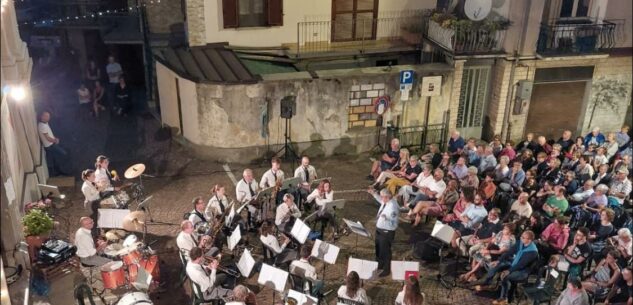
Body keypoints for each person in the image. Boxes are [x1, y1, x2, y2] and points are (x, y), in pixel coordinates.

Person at [475, 231, 539, 305]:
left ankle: (504, 298)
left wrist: (509, 271)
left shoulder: (533, 252)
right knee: (496, 266)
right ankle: (487, 284)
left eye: (523, 238)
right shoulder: (520, 242)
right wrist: (498, 261)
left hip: (523, 271)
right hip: (514, 263)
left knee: (505, 276)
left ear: (529, 240)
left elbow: (521, 265)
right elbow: (509, 252)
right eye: (521, 236)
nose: (521, 238)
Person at [369, 188, 399, 277]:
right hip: (380, 230)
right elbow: (380, 200)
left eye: (382, 197)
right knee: (378, 249)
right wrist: (374, 194)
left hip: (386, 232)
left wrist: (386, 217)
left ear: (387, 197)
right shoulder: (386, 201)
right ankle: (379, 264)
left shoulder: (393, 206)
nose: (381, 198)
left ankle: (386, 269)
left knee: (385, 251)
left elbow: (394, 222)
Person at [38, 111, 69, 176]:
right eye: (46, 116)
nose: (48, 118)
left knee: (53, 159)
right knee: (62, 155)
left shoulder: (45, 123)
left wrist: (54, 138)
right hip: (50, 145)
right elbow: (47, 138)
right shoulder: (42, 126)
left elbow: (49, 133)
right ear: (42, 116)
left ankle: (57, 172)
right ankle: (60, 171)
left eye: (48, 116)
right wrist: (55, 140)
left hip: (51, 144)